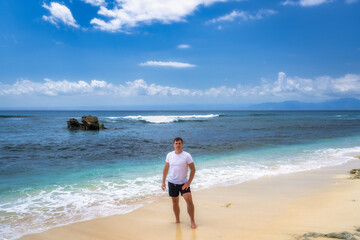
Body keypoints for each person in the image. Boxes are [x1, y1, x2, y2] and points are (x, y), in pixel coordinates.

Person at [162, 137, 197, 229]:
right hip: (172, 182)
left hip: (183, 183)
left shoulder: (186, 155)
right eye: (176, 143)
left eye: (179, 143)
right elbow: (166, 169)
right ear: (174, 145)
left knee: (189, 200)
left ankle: (192, 221)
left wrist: (188, 183)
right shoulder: (169, 155)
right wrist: (163, 182)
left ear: (182, 144)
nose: (178, 145)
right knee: (174, 202)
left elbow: (193, 169)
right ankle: (177, 220)